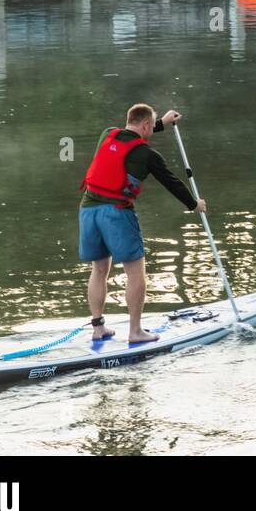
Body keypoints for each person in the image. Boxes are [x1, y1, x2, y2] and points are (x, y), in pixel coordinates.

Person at [79, 104, 206, 342]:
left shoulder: (108, 134)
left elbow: (133, 136)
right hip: (116, 213)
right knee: (135, 271)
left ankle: (98, 328)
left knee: (99, 269)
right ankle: (135, 332)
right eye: (151, 125)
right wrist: (194, 204)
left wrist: (163, 122)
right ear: (146, 125)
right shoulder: (148, 156)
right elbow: (172, 182)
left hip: (87, 210)